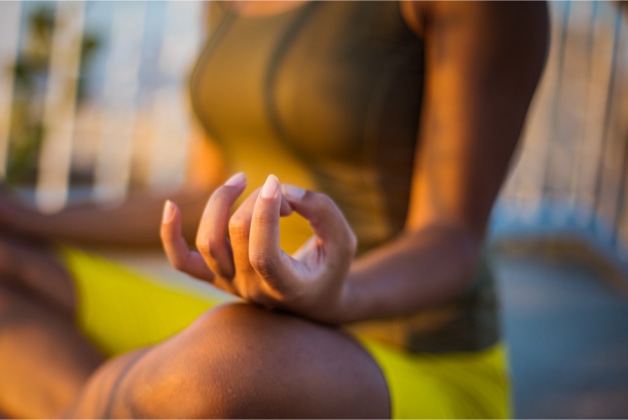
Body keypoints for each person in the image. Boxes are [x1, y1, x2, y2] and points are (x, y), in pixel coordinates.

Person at [0, 1, 549, 418]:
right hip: (266, 323)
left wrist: (336, 293)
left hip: (408, 354)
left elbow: (451, 234)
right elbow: (207, 190)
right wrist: (28, 219)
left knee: (216, 371)